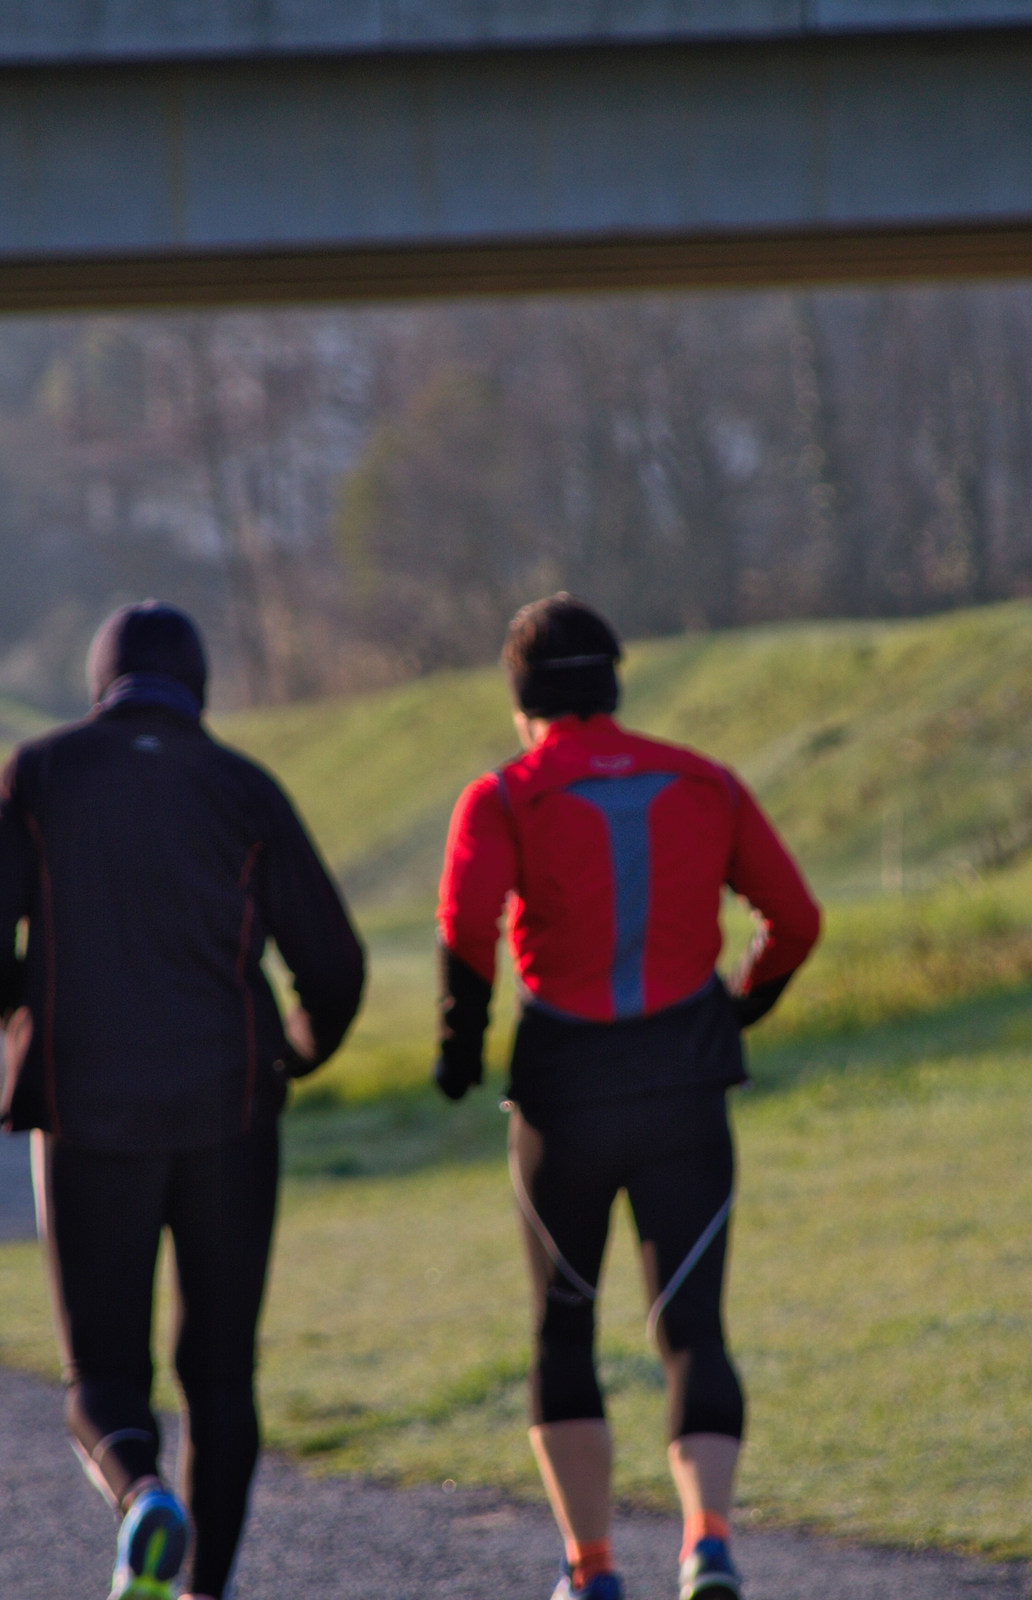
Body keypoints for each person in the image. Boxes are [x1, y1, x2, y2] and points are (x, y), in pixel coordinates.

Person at [0, 601, 365, 1600]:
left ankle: (142, 1500)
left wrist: (28, 1018)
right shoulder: (243, 789)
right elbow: (335, 966)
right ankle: (205, 1590)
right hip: (232, 1109)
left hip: (87, 1110)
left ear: (100, 684)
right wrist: (289, 1055)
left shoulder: (39, 775)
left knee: (102, 1377)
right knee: (221, 1372)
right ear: (201, 688)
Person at [434, 594, 821, 1600]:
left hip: (564, 1089)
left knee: (563, 1322)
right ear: (614, 685)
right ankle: (707, 1544)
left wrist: (459, 1049)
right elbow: (797, 918)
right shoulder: (706, 782)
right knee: (694, 1325)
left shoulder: (505, 794)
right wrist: (739, 1008)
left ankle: (593, 1568)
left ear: (523, 702)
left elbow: (468, 935)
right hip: (686, 1080)